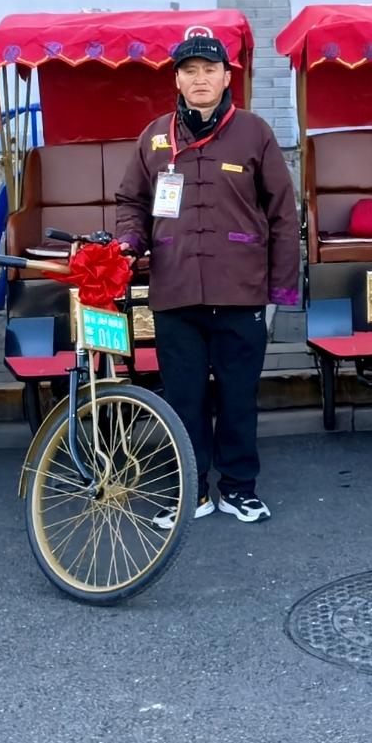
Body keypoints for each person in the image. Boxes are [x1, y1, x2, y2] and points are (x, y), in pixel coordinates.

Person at [114, 35, 300, 524]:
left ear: (226, 76)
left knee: (239, 394)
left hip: (240, 290)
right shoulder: (155, 137)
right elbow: (130, 202)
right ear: (176, 78)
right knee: (184, 396)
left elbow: (283, 213)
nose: (200, 79)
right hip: (174, 291)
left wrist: (281, 289)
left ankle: (239, 488)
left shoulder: (254, 132)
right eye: (189, 70)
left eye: (209, 69)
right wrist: (130, 242)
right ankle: (190, 489)